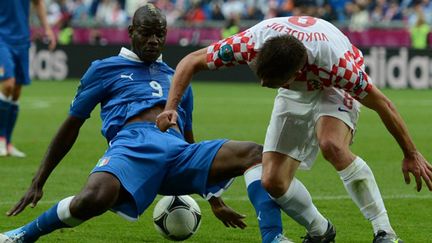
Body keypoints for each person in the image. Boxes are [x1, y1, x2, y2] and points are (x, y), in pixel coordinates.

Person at [0, 4, 271, 242]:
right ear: (131, 31)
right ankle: (24, 234)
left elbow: (189, 137)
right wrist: (39, 180)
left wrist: (214, 199)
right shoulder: (104, 69)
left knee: (256, 153)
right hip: (132, 149)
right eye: (146, 33)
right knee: (93, 198)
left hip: (178, 153)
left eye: (159, 34)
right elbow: (72, 125)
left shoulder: (178, 78)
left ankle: (276, 237)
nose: (153, 40)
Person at [157, 16, 432, 243]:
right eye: (261, 75)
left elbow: (383, 104)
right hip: (297, 89)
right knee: (273, 181)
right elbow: (191, 61)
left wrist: (411, 153)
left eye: (272, 81)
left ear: (295, 73)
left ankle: (384, 232)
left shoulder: (338, 68)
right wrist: (171, 106)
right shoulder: (250, 44)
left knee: (332, 145)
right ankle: (321, 231)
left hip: (331, 86)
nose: (263, 83)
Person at [0, 0, 56, 157]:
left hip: (22, 40)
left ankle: (8, 143)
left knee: (17, 91)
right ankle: (1, 138)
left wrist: (47, 29)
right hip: (2, 39)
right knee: (8, 84)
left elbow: (38, 3)